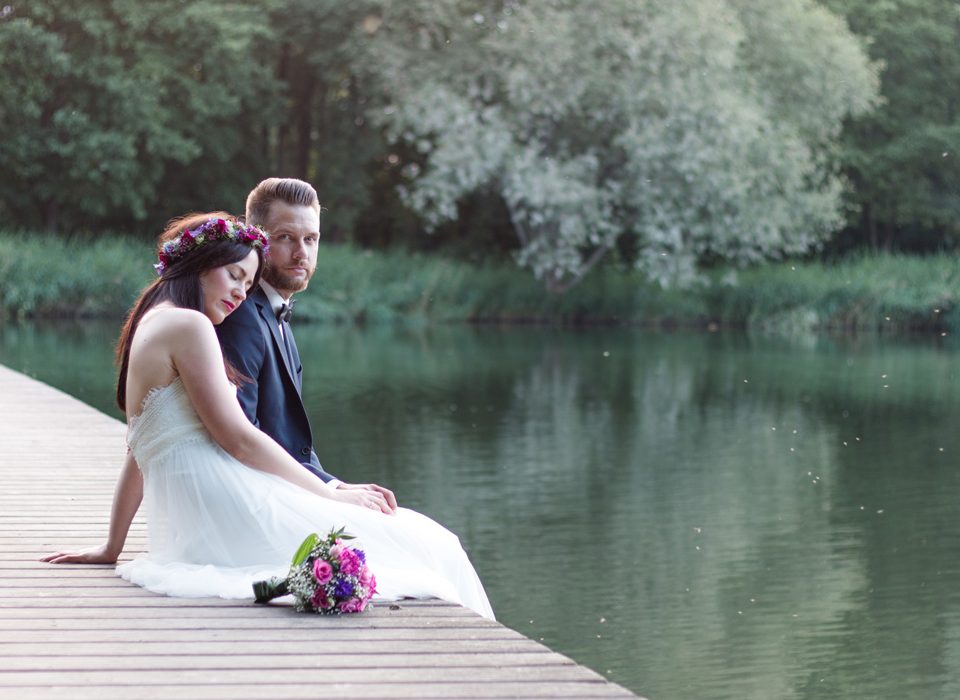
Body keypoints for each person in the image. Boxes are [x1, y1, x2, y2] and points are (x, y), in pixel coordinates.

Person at [42, 212, 494, 619]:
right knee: (430, 545)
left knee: (417, 541)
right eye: (234, 275)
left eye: (248, 282)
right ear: (200, 266)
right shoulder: (190, 325)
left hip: (198, 520)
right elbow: (236, 437)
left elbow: (138, 450)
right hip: (225, 510)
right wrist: (328, 494)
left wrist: (112, 547)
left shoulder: (152, 322)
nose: (241, 293)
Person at [215, 178, 393, 508]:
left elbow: (290, 442)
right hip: (253, 500)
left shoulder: (273, 312)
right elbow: (242, 440)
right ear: (258, 241)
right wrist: (332, 495)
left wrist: (337, 487)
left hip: (286, 488)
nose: (302, 253)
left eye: (311, 239)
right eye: (286, 238)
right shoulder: (242, 318)